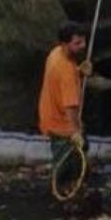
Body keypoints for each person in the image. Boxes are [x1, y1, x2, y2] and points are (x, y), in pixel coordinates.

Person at [38, 22, 92, 195]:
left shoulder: (56, 54)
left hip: (50, 113)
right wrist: (76, 131)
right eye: (77, 43)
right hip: (61, 123)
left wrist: (79, 72)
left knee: (78, 150)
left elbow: (60, 79)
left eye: (83, 41)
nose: (83, 46)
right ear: (65, 43)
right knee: (65, 159)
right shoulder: (66, 72)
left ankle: (75, 180)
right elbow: (71, 106)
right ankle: (63, 190)